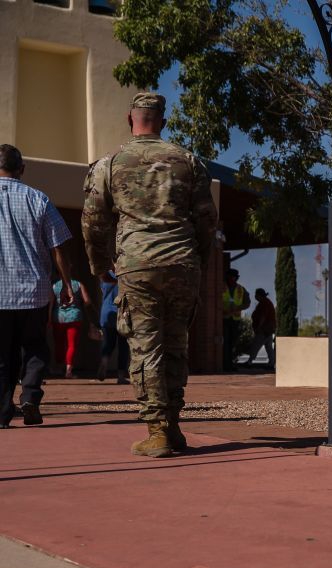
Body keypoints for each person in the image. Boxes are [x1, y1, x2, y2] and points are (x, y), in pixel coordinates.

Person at [82, 92, 218, 456]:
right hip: (182, 262)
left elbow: (94, 221)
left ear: (131, 119)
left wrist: (101, 267)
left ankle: (157, 429)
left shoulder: (109, 163)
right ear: (163, 121)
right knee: (176, 344)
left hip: (138, 265)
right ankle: (173, 426)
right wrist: (198, 261)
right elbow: (207, 219)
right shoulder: (189, 161)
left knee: (146, 348)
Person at [0, 144, 76, 428]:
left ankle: (2, 412)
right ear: (22, 169)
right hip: (34, 292)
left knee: (2, 356)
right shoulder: (38, 199)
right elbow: (59, 247)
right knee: (34, 348)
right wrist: (67, 284)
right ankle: (30, 397)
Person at [51, 276, 94, 378]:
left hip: (58, 317)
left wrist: (48, 318)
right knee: (72, 344)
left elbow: (51, 303)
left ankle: (58, 368)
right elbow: (87, 300)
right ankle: (68, 371)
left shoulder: (54, 285)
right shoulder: (78, 284)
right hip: (75, 316)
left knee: (59, 344)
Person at [97, 271, 130, 384]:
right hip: (121, 313)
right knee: (123, 346)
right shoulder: (125, 275)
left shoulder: (104, 276)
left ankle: (104, 361)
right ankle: (121, 376)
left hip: (106, 313)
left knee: (108, 343)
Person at [222, 268, 249, 371]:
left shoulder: (240, 289)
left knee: (232, 342)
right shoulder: (221, 286)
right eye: (230, 276)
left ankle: (230, 364)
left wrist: (238, 308)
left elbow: (247, 303)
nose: (232, 278)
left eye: (234, 277)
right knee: (225, 342)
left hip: (235, 319)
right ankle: (225, 364)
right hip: (223, 318)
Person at [244, 288, 276, 369]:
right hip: (268, 329)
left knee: (256, 345)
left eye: (256, 295)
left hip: (264, 330)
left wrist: (259, 327)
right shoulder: (265, 302)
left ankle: (250, 361)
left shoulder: (264, 303)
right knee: (268, 347)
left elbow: (263, 316)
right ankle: (271, 363)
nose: (255, 296)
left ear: (259, 295)